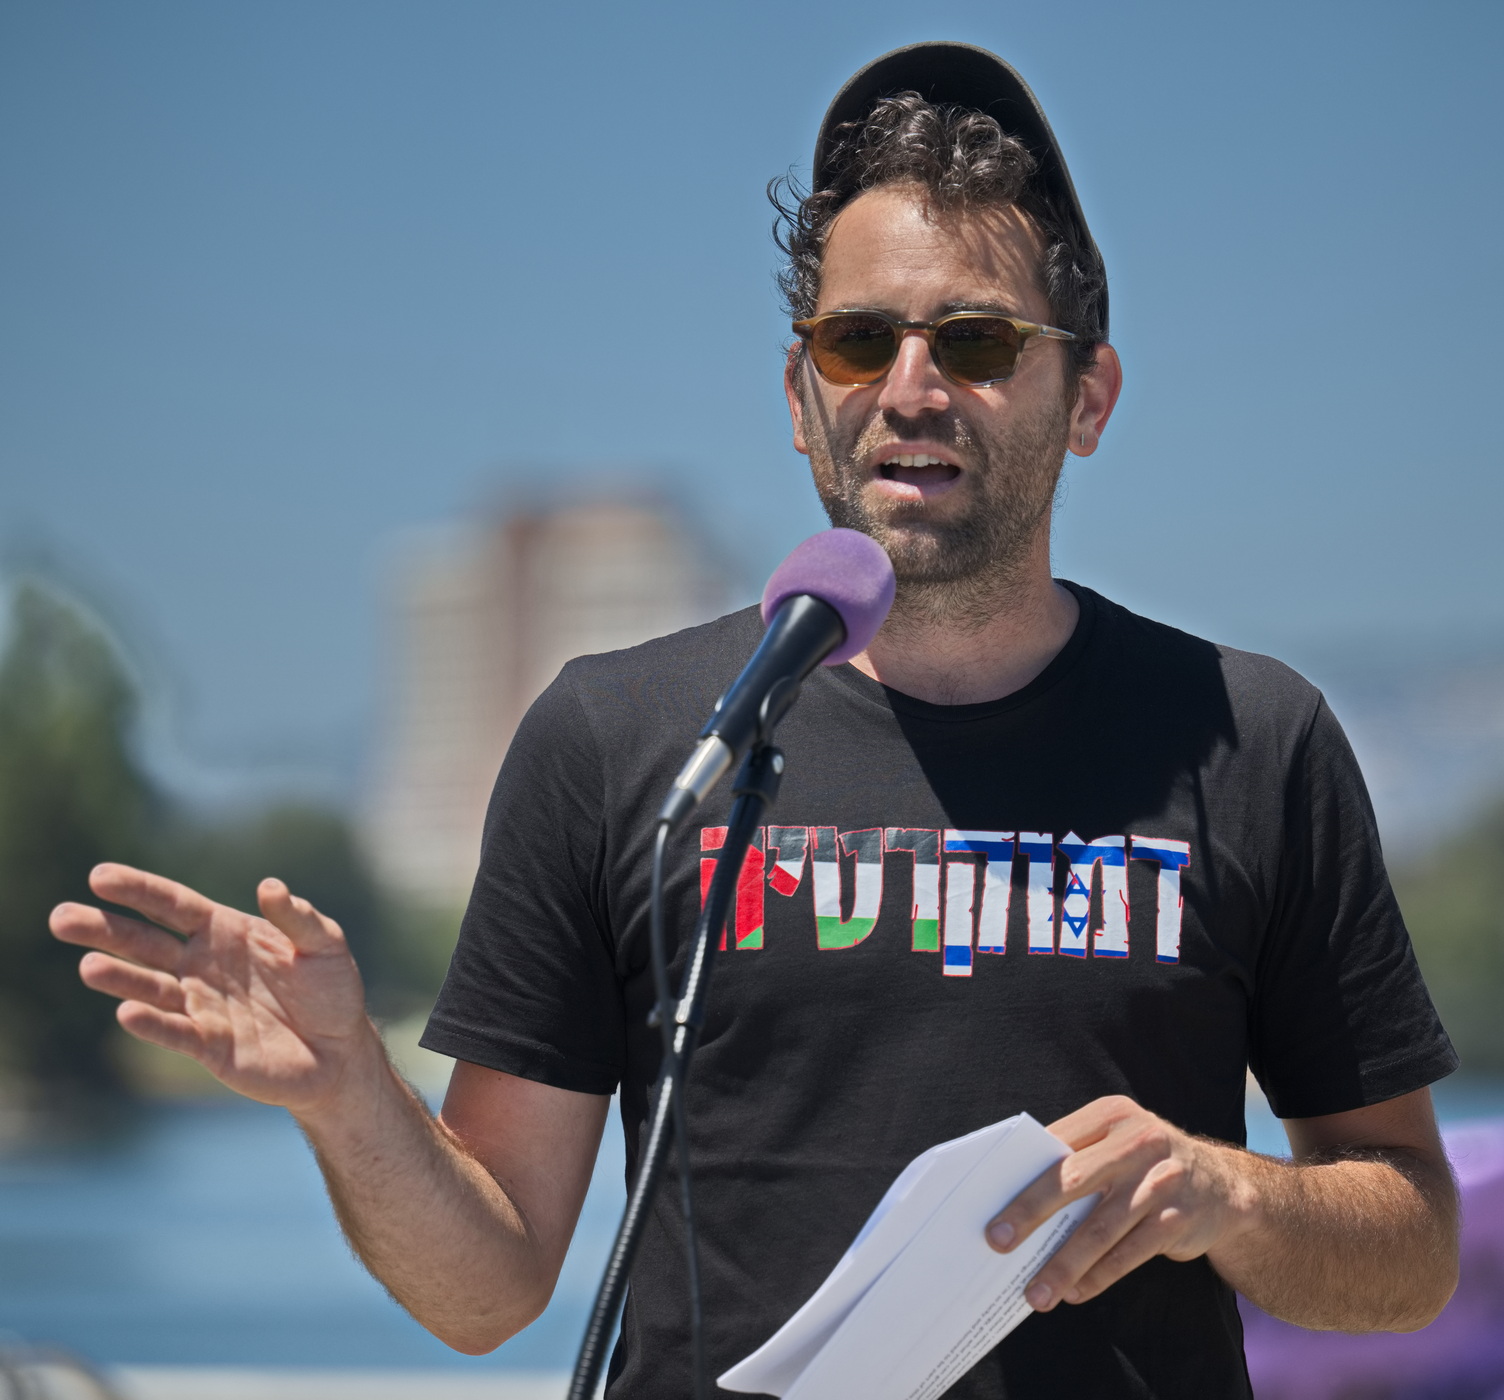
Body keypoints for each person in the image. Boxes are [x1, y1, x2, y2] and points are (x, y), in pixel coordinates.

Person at [51, 40, 1459, 1399]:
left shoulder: (1252, 738)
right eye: (859, 341)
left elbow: (1411, 1255)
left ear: (1087, 397)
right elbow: (488, 1289)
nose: (911, 388)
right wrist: (350, 1095)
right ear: (799, 396)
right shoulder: (624, 739)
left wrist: (1231, 1194)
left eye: (976, 340)